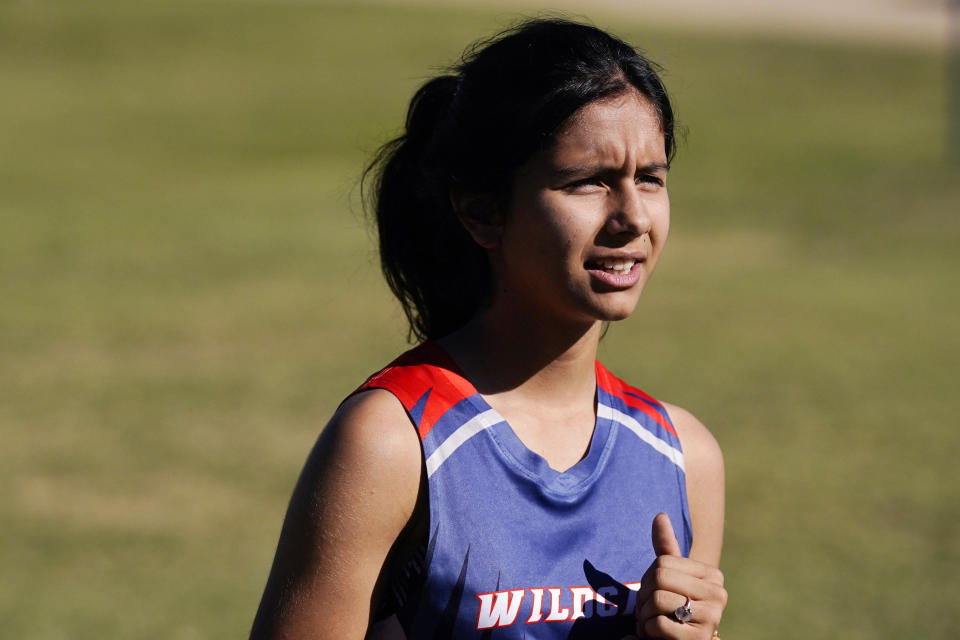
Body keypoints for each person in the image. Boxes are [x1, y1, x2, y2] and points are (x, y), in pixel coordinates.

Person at [250, 17, 726, 640]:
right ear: (482, 211)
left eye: (651, 178)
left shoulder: (683, 457)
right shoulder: (393, 443)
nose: (632, 217)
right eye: (588, 182)